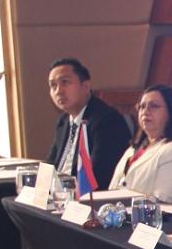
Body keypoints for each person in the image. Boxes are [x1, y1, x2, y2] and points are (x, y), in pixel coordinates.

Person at [46, 58, 130, 189]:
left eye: (65, 82)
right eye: (53, 85)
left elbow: (98, 176)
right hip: (60, 192)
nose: (58, 91)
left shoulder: (106, 120)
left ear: (85, 87)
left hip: (88, 195)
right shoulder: (64, 121)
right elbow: (51, 164)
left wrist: (61, 189)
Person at [108, 85, 172, 205]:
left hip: (151, 216)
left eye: (154, 106)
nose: (145, 111)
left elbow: (163, 201)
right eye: (142, 106)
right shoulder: (132, 149)